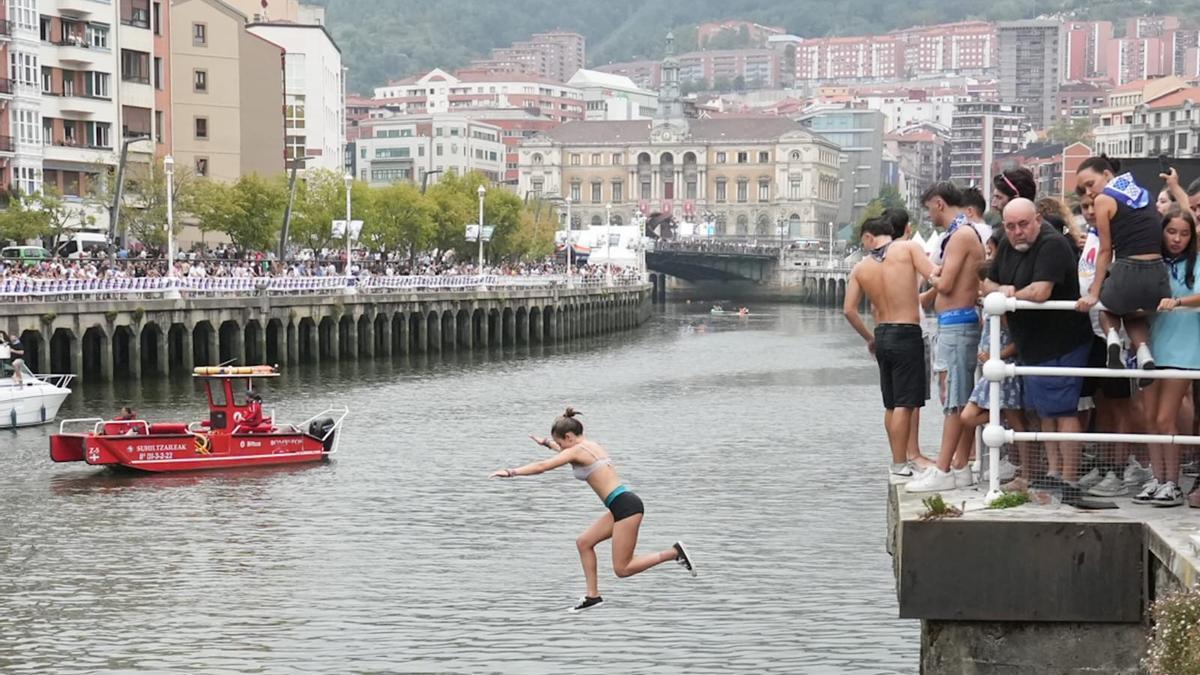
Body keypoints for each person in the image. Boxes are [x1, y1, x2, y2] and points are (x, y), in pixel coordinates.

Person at [489, 408, 696, 612]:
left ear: (568, 436)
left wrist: (510, 472)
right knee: (584, 542)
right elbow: (565, 452)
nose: (560, 447)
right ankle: (593, 596)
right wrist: (546, 443)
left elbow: (544, 466)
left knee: (623, 569)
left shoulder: (577, 451)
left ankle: (674, 553)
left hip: (625, 508)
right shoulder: (589, 445)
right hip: (622, 505)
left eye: (560, 442)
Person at [985, 198, 1094, 484]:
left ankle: (1068, 478)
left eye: (1023, 224)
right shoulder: (1008, 245)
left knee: (1064, 409)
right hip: (1031, 343)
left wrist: (1008, 295)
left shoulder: (1053, 244)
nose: (1017, 231)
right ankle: (1052, 472)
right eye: (1010, 226)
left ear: (1037, 220)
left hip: (1063, 341)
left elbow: (1040, 291)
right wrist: (1001, 289)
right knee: (1045, 411)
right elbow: (986, 282)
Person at [907, 182, 985, 493]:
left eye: (928, 209)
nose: (929, 217)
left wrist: (929, 271)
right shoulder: (964, 234)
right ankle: (961, 465)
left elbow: (948, 283)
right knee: (959, 397)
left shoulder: (961, 235)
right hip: (957, 324)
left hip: (957, 326)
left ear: (939, 203)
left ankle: (943, 470)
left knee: (953, 401)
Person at [843, 215, 936, 478]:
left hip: (882, 334)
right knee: (906, 404)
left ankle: (896, 459)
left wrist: (870, 338)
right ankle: (900, 463)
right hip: (907, 331)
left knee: (891, 404)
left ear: (870, 237)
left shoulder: (861, 268)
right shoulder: (908, 249)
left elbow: (849, 310)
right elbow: (934, 275)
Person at [1076, 155, 1170, 378]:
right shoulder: (1146, 194)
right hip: (1159, 277)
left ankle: (1112, 338)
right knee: (1132, 314)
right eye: (1083, 188)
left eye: (1090, 184)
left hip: (1128, 269)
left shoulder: (1104, 200)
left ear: (1107, 175)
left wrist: (1094, 293)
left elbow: (1106, 250)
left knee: (1107, 306)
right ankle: (1144, 351)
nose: (1089, 192)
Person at [1141, 208, 1200, 507]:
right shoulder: (1154, 263)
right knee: (1150, 418)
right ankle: (1158, 478)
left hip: (1184, 351)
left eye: (1184, 233)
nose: (1177, 238)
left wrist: (1177, 301)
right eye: (1171, 231)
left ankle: (1173, 483)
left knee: (1166, 418)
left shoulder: (1197, 262)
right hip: (1152, 348)